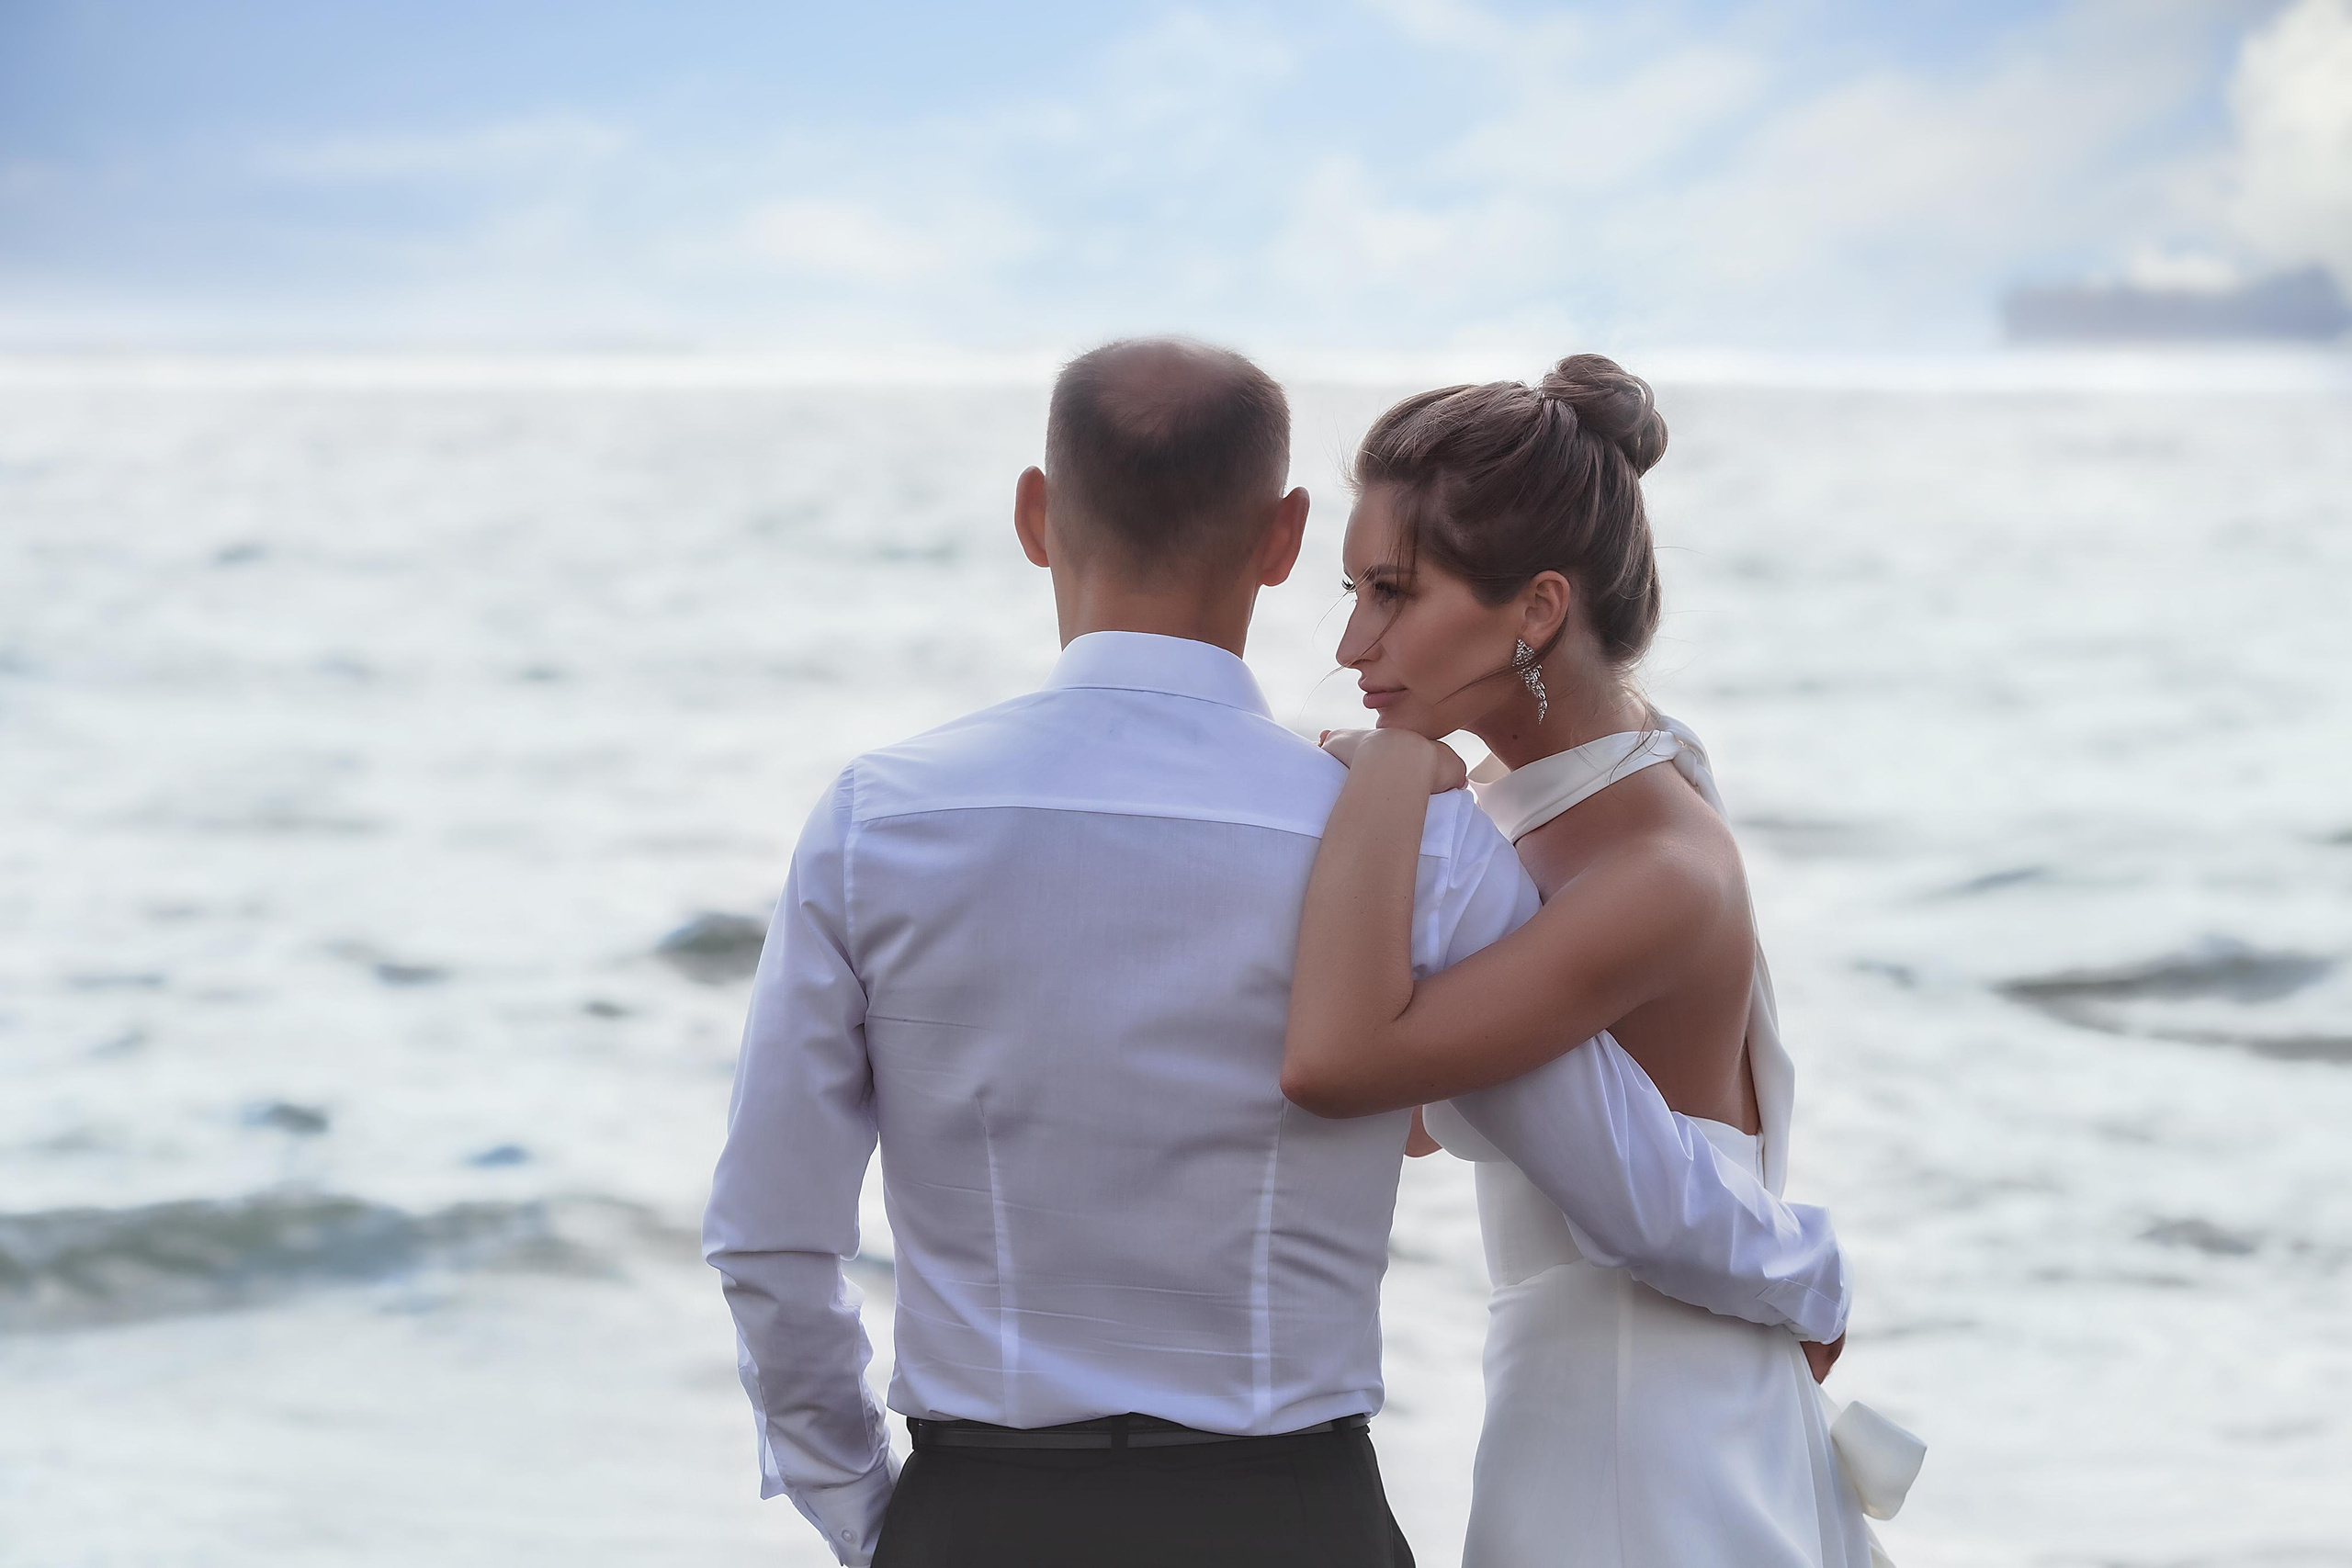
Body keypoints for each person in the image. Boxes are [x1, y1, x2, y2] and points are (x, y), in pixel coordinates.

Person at [702, 338, 1851, 1568]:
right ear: (1285, 538)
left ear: (1036, 516)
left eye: (1389, 594)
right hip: (1295, 1520)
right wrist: (1810, 1275)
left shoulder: (881, 819)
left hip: (975, 1510)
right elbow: (1626, 1176)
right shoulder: (1415, 843)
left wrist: (882, 1524)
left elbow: (771, 1239)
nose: (1356, 644)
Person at [1283, 355, 1895, 1566]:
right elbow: (1424, 1107)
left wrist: (1405, 793)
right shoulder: (1543, 804)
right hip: (1584, 1400)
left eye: (1395, 593)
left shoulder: (1647, 867)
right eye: (1351, 590)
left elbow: (1355, 1066)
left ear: (1538, 610)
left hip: (1651, 1438)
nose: (1353, 638)